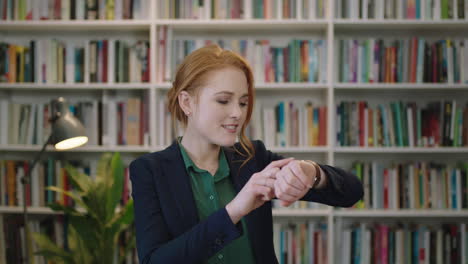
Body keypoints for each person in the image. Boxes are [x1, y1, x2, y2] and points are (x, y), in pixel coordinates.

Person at [129, 44, 363, 264]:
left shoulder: (254, 159)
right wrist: (235, 210)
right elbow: (154, 260)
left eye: (242, 103)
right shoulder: (150, 170)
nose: (237, 113)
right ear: (187, 102)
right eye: (223, 101)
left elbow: (352, 192)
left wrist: (312, 172)